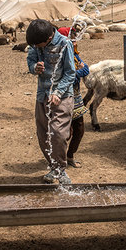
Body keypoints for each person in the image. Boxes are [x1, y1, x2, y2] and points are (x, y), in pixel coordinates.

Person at [26, 19, 76, 184]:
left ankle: (61, 169)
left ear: (48, 38)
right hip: (42, 95)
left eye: (39, 45)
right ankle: (53, 167)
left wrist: (58, 92)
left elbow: (70, 73)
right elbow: (30, 60)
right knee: (43, 134)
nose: (37, 48)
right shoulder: (35, 45)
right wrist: (35, 68)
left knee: (57, 133)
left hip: (61, 97)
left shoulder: (64, 44)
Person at [57, 25, 89, 169]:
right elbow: (71, 77)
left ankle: (70, 155)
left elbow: (86, 69)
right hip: (62, 98)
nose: (75, 42)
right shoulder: (59, 56)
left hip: (76, 99)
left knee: (79, 128)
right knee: (64, 132)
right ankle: (59, 159)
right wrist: (78, 71)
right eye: (72, 39)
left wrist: (78, 72)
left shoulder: (74, 54)